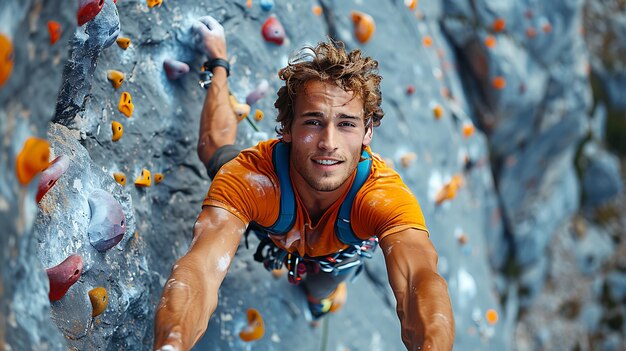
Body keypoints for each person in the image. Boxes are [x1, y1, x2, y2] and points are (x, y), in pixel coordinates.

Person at [154, 15, 455, 351]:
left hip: (333, 254)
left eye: (346, 124)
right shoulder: (254, 177)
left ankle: (320, 298)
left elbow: (420, 278)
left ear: (368, 132)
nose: (328, 142)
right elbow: (203, 267)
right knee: (215, 155)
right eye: (313, 121)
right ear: (287, 128)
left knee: (321, 289)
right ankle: (219, 61)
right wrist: (172, 342)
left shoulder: (382, 196)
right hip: (275, 216)